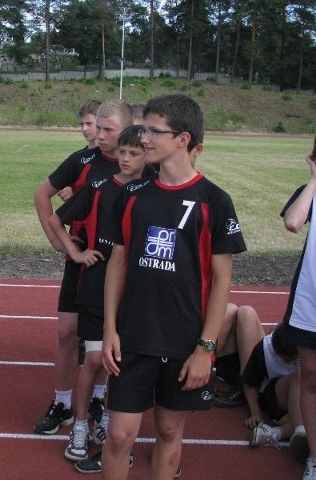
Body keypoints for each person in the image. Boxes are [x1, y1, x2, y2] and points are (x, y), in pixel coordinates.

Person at [101, 94, 247, 480]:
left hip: (185, 342)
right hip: (133, 337)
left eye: (153, 130)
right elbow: (117, 263)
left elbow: (222, 282)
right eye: (144, 128)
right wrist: (110, 329)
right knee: (118, 435)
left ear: (183, 139)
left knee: (169, 429)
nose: (144, 138)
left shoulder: (214, 201)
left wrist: (206, 348)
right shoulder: (131, 196)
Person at [48, 124, 147, 463]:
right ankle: (79, 424)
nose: (126, 158)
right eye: (123, 152)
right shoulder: (100, 186)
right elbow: (56, 217)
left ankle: (106, 421)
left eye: (135, 153)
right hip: (95, 287)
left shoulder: (152, 191)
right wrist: (75, 253)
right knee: (93, 358)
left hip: (134, 292)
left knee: (122, 362)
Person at [33, 99, 132, 435]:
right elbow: (42, 195)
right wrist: (61, 244)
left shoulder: (141, 167)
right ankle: (61, 402)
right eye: (97, 128)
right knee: (66, 333)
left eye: (108, 130)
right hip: (84, 262)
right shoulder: (83, 160)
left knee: (109, 338)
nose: (100, 136)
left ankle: (98, 400)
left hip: (118, 268)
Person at [281, 142, 316, 479]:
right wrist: (315, 179)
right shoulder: (310, 191)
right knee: (311, 379)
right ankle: (315, 460)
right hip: (311, 300)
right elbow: (293, 222)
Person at [244, 324, 306, 460]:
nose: (285, 361)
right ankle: (300, 428)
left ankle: (274, 433)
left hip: (306, 399)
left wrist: (294, 414)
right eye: (282, 357)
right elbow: (249, 384)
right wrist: (255, 412)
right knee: (298, 376)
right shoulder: (264, 348)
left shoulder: (309, 347)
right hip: (277, 396)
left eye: (290, 359)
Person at [213, 303, 265, 408]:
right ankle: (204, 367)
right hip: (228, 364)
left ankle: (244, 384)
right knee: (229, 308)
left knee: (247, 312)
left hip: (254, 370)